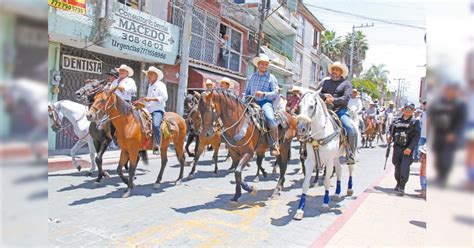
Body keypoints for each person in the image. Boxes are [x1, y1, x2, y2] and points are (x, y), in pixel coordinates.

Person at [429, 83, 466, 186]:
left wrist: (454, 133)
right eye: (447, 90)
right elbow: (432, 114)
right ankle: (439, 175)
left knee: (447, 157)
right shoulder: (439, 102)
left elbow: (461, 121)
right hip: (439, 133)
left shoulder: (460, 105)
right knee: (438, 156)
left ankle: (444, 177)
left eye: (451, 91)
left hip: (450, 135)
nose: (448, 92)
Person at [319, 61, 356, 164]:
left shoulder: (346, 84)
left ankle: (350, 153)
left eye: (337, 70)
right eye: (333, 70)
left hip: (340, 111)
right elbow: (319, 93)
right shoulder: (326, 82)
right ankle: (306, 150)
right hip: (326, 110)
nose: (334, 72)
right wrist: (325, 96)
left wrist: (334, 100)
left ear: (341, 72)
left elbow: (346, 98)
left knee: (349, 127)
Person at [244, 54, 280, 156]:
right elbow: (246, 91)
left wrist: (264, 94)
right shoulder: (252, 77)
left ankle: (274, 144)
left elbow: (275, 92)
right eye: (262, 64)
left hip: (265, 102)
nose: (263, 66)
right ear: (258, 65)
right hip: (251, 101)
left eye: (265, 64)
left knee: (270, 119)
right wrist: (243, 101)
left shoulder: (271, 77)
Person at [389, 102, 421, 194]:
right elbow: (390, 131)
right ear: (403, 109)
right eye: (406, 108)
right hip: (397, 147)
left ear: (413, 110)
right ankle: (398, 183)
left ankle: (402, 186)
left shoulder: (415, 122)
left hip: (407, 149)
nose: (408, 110)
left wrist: (410, 148)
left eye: (410, 109)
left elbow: (416, 137)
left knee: (404, 168)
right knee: (397, 166)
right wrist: (389, 136)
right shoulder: (396, 120)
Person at [141, 66, 167, 155]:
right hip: (148, 109)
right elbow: (148, 100)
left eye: (150, 74)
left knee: (156, 125)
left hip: (157, 110)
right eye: (148, 74)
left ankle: (157, 145)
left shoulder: (160, 85)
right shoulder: (149, 85)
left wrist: (151, 99)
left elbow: (164, 97)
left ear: (156, 75)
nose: (148, 76)